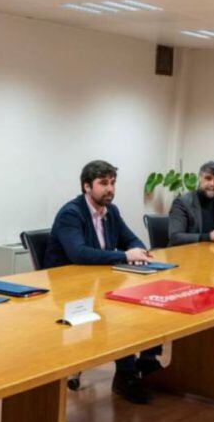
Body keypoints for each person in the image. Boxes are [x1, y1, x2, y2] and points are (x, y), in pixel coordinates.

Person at [43, 160, 162, 404]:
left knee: (144, 303)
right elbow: (79, 253)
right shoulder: (71, 213)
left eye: (113, 183)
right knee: (122, 314)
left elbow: (131, 238)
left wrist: (137, 249)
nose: (110, 189)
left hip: (98, 282)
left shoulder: (111, 212)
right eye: (103, 183)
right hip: (68, 290)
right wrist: (125, 255)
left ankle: (148, 362)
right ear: (87, 186)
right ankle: (126, 377)